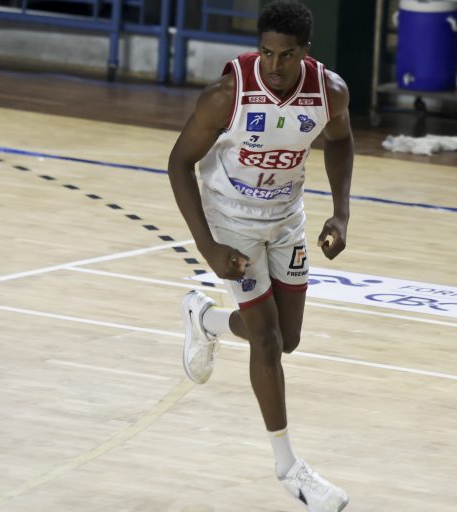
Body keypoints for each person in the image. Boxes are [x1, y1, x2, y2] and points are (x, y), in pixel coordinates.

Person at [167, 1, 352, 511]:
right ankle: (289, 467)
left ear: (305, 52)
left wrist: (341, 213)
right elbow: (179, 163)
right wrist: (208, 246)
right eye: (267, 53)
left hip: (286, 218)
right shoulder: (227, 95)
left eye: (285, 55)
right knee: (266, 341)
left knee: (286, 339)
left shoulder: (330, 91)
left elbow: (340, 140)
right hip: (231, 221)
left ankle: (205, 318)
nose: (274, 64)